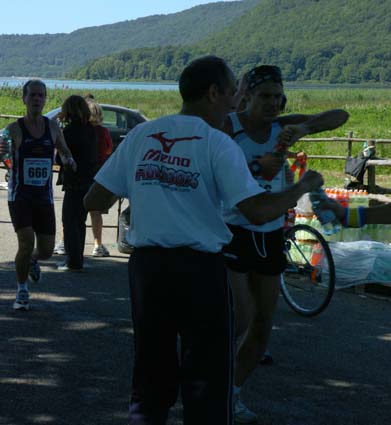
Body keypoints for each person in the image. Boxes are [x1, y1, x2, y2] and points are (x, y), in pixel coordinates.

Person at [83, 55, 324, 425]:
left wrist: (149, 186)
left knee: (151, 377)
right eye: (232, 93)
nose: (236, 103)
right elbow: (257, 211)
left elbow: (94, 200)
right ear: (213, 93)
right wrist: (301, 187)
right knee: (208, 382)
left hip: (148, 269)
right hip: (200, 270)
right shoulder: (216, 143)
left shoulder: (142, 135)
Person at [221, 65, 349, 424]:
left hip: (271, 233)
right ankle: (203, 382)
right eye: (265, 96)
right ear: (246, 96)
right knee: (239, 318)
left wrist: (305, 128)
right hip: (233, 229)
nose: (273, 104)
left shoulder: (283, 128)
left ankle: (232, 393)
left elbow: (341, 115)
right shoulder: (228, 126)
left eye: (279, 97)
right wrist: (253, 166)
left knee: (262, 326)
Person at [0, 79, 75, 311]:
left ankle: (34, 260)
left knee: (46, 250)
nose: (37, 99)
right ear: (24, 99)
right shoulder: (14, 129)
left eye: (41, 95)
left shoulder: (53, 127)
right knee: (25, 242)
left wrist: (69, 160)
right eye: (33, 95)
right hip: (20, 197)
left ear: (45, 99)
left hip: (44, 197)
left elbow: (65, 152)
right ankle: (21, 290)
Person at [58, 95, 98, 271]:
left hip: (74, 181)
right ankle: (78, 258)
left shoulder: (69, 132)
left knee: (69, 221)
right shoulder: (91, 130)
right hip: (88, 180)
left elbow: (61, 158)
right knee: (80, 222)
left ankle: (72, 261)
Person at [86, 99, 114, 257]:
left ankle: (64, 242)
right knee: (95, 211)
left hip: (82, 173)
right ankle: (97, 244)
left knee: (73, 211)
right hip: (98, 173)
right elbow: (109, 149)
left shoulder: (80, 130)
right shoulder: (104, 132)